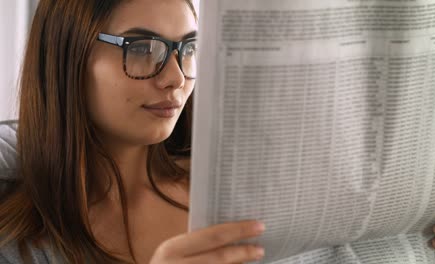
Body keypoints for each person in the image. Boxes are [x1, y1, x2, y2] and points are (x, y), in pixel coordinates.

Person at [0, 0, 265, 263]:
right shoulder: (16, 241)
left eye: (189, 48)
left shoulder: (231, 191)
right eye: (142, 49)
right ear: (68, 57)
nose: (176, 78)